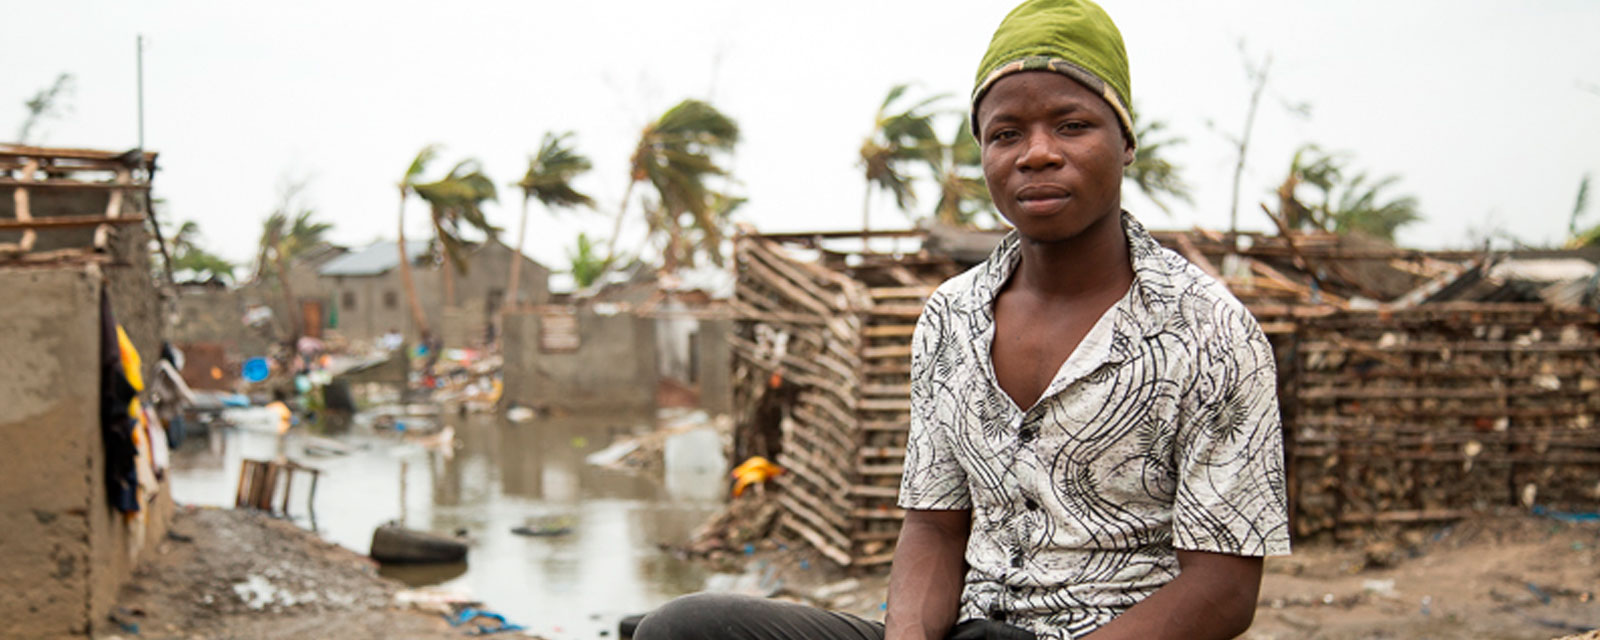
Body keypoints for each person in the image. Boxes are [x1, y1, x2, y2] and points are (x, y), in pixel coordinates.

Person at [635, 1, 1289, 638]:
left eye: (1071, 125)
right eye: (1006, 133)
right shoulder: (952, 318)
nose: (1036, 153)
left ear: (1125, 141)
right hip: (969, 630)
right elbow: (935, 527)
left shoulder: (1212, 333)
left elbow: (1224, 589)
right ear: (983, 153)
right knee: (684, 627)